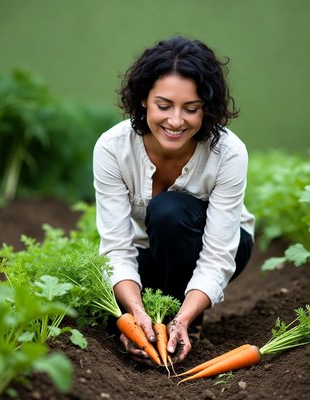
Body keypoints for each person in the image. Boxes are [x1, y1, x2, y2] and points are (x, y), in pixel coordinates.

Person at [93, 36, 255, 364]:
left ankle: (186, 321)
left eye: (191, 109)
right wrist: (134, 313)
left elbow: (217, 255)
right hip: (148, 251)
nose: (176, 121)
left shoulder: (228, 153)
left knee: (169, 210)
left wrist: (182, 319)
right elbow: (116, 248)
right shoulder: (112, 148)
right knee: (109, 318)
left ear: (206, 107)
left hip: (219, 246)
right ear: (143, 100)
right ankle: (154, 321)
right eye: (163, 106)